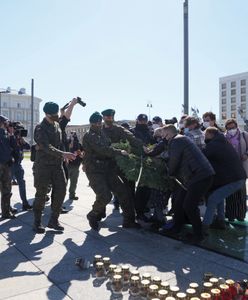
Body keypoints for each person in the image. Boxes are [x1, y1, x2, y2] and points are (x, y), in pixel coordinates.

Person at [82, 112, 140, 231]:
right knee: (105, 196)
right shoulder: (89, 136)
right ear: (91, 123)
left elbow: (109, 145)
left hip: (107, 168)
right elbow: (102, 150)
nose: (98, 125)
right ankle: (93, 214)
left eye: (99, 123)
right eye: (95, 123)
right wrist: (119, 152)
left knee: (123, 192)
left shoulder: (102, 133)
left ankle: (129, 220)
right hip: (94, 170)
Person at [161, 124, 215, 243]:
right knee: (179, 202)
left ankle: (198, 235)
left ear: (168, 134)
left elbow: (173, 160)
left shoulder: (177, 141)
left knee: (189, 205)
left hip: (200, 176)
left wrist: (168, 173)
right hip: (194, 176)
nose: (163, 139)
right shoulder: (180, 139)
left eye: (164, 136)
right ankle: (177, 227)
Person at [32, 102, 76, 234]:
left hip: (57, 165)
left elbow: (60, 143)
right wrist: (63, 154)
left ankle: (54, 220)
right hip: (43, 166)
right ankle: (37, 222)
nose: (57, 116)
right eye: (54, 114)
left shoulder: (57, 125)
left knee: (61, 190)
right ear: (46, 114)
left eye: (57, 113)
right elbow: (46, 146)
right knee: (41, 194)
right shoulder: (40, 128)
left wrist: (65, 156)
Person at [202, 127, 246, 231]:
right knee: (219, 198)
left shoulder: (214, 144)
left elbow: (202, 155)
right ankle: (221, 222)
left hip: (233, 179)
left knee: (213, 199)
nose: (204, 137)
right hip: (236, 178)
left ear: (210, 134)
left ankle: (204, 227)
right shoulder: (223, 142)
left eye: (205, 135)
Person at [224, 118, 248, 222]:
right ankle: (230, 215)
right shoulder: (224, 137)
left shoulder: (244, 135)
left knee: (241, 193)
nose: (231, 130)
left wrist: (246, 154)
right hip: (229, 170)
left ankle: (241, 215)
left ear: (236, 126)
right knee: (230, 193)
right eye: (229, 128)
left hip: (242, 168)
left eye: (233, 127)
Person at [7, 122, 32, 211]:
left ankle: (25, 203)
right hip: (10, 166)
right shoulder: (8, 137)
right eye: (19, 130)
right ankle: (7, 207)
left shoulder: (19, 139)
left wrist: (21, 139)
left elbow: (28, 147)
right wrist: (13, 137)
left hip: (18, 165)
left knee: (22, 184)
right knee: (7, 187)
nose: (20, 132)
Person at [0, 115, 16, 219]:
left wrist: (12, 134)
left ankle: (6, 210)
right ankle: (6, 211)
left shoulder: (6, 133)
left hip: (6, 164)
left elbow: (13, 147)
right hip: (2, 164)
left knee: (6, 189)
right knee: (6, 189)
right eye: (5, 122)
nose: (7, 124)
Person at [67, 131, 83, 200]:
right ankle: (59, 197)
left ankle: (72, 195)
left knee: (74, 182)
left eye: (74, 134)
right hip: (67, 166)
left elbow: (83, 154)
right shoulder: (67, 143)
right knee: (63, 182)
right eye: (71, 134)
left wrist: (80, 154)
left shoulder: (79, 145)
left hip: (76, 166)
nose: (73, 136)